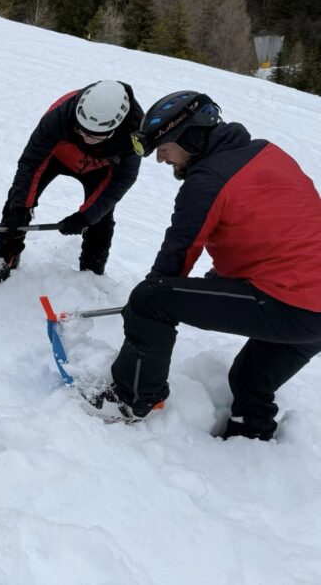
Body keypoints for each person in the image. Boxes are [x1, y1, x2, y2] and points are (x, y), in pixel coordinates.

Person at [88, 91, 321, 438]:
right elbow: (279, 232)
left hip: (289, 302)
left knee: (150, 299)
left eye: (163, 147)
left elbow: (176, 256)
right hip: (310, 310)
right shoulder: (267, 153)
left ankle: (130, 398)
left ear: (189, 136)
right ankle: (251, 441)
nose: (160, 158)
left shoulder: (208, 180)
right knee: (250, 380)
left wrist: (142, 308)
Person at [0, 80, 143, 286]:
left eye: (94, 136)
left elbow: (122, 179)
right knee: (16, 203)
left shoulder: (136, 132)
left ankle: (91, 277)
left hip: (100, 168)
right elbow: (31, 163)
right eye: (81, 131)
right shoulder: (61, 113)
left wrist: (86, 216)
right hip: (56, 156)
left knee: (101, 220)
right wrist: (20, 208)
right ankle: (7, 257)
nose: (85, 139)